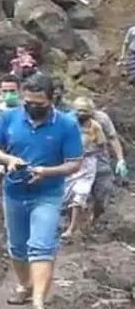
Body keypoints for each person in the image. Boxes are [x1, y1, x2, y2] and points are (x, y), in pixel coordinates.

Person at [0, 74, 83, 309]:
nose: (32, 107)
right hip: (14, 190)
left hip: (47, 193)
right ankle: (25, 285)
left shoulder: (67, 125)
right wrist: (8, 160)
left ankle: (38, 303)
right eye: (28, 101)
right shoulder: (7, 117)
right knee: (17, 246)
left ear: (52, 100)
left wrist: (46, 172)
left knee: (41, 245)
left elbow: (75, 163)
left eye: (39, 103)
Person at [62, 97, 106, 238]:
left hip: (87, 165)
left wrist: (87, 153)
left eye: (84, 111)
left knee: (80, 194)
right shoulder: (69, 124)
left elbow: (102, 146)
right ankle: (72, 221)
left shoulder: (95, 127)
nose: (81, 114)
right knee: (66, 195)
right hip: (69, 162)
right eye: (79, 110)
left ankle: (72, 228)